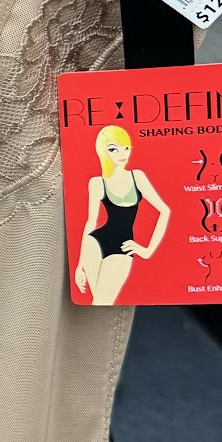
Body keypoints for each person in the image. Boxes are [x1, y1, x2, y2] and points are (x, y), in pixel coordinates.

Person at [75, 124, 169, 306]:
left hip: (123, 247)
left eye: (125, 148)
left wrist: (148, 251)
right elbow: (91, 221)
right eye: (113, 149)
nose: (122, 154)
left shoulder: (137, 177)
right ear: (104, 152)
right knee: (98, 303)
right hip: (94, 242)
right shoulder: (97, 183)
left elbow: (164, 211)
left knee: (102, 302)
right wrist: (79, 265)